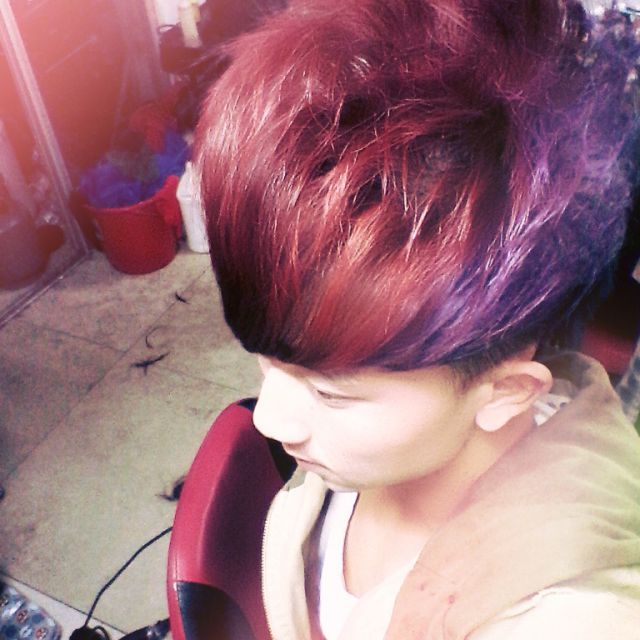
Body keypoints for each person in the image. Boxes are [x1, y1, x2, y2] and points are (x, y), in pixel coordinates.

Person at [194, 0, 640, 637]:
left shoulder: (572, 618)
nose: (269, 419)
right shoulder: (374, 450)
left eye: (331, 393)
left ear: (505, 393)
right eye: (267, 364)